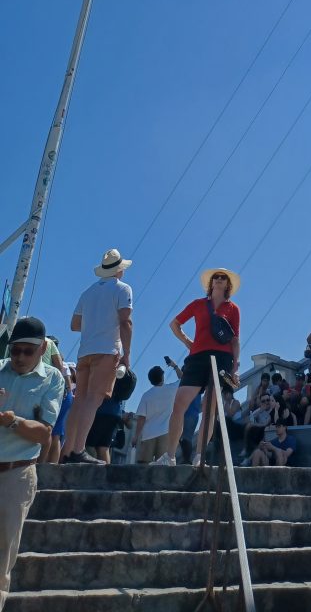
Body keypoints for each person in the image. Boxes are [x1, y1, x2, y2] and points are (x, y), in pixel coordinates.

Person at [0, 316, 64, 609]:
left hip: (17, 474)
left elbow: (43, 434)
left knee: (2, 556)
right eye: (15, 351)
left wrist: (12, 421)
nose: (20, 357)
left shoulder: (53, 379)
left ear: (43, 349)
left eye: (28, 351)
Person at [154, 267, 241, 467]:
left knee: (210, 408)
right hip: (197, 357)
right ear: (210, 283)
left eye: (223, 278)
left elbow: (235, 340)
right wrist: (188, 343)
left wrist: (235, 367)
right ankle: (170, 455)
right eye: (216, 277)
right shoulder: (198, 304)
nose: (219, 280)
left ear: (228, 284)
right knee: (179, 404)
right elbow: (175, 324)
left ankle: (199, 455)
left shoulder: (233, 309)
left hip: (222, 359)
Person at [62, 248, 133, 464]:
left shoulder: (88, 292)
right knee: (93, 400)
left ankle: (67, 450)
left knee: (80, 401)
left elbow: (74, 325)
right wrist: (126, 354)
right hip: (107, 350)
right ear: (119, 270)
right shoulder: (123, 289)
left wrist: (94, 322)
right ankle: (78, 450)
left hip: (85, 352)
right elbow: (125, 322)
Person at [133, 365, 180, 464]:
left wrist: (136, 436)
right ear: (162, 376)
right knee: (162, 466)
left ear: (150, 380)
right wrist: (174, 366)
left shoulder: (146, 395)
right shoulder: (171, 389)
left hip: (148, 434)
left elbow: (141, 418)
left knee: (143, 465)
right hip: (165, 432)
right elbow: (183, 378)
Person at [85, 393, 124, 463]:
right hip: (114, 411)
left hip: (100, 409)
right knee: (103, 447)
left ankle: (88, 472)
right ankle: (106, 473)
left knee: (89, 445)